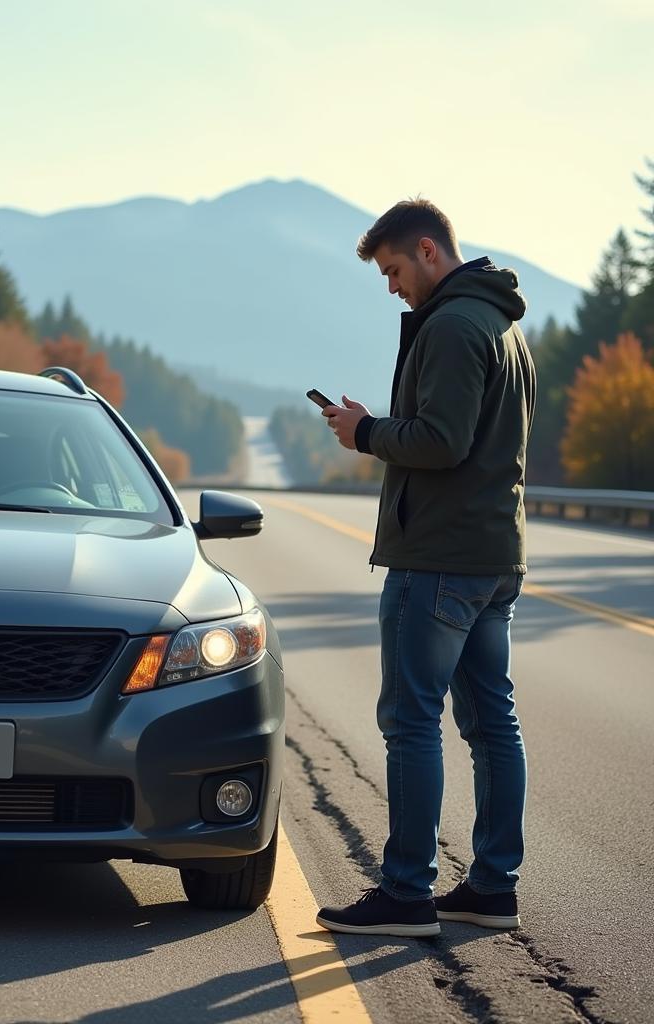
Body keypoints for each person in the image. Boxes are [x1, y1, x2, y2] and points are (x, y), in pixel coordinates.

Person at [314, 199, 536, 937]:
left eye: (394, 269)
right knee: (490, 721)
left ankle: (407, 892)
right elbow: (467, 439)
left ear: (429, 252)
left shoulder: (449, 325)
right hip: (493, 555)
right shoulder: (502, 325)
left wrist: (367, 432)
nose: (391, 287)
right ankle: (493, 886)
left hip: (438, 559)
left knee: (411, 722)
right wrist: (375, 424)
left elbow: (441, 441)